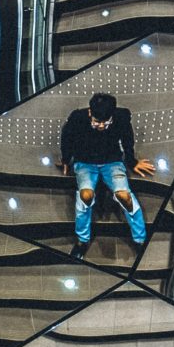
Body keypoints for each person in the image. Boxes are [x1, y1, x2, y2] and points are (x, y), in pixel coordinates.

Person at [60, 93, 155, 258]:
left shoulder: (121, 117)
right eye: (97, 122)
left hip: (112, 162)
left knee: (125, 197)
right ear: (90, 112)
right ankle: (82, 241)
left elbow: (127, 139)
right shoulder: (77, 118)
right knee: (85, 195)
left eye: (106, 122)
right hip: (85, 162)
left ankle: (140, 240)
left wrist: (132, 161)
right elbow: (66, 138)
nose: (102, 126)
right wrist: (66, 160)